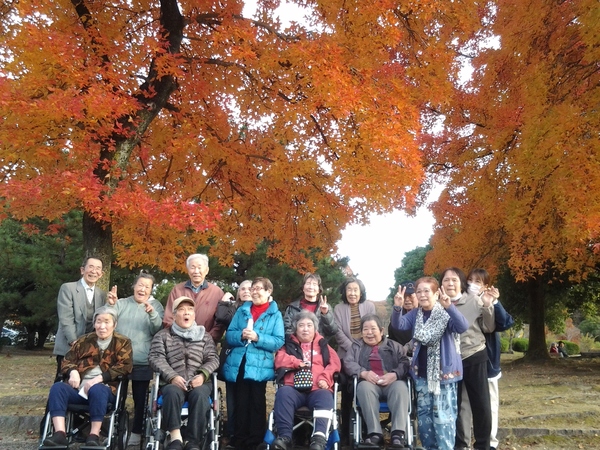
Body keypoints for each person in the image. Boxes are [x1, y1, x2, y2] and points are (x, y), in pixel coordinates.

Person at [390, 277, 468, 450]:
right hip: (421, 374)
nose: (422, 295)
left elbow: (462, 326)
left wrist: (450, 307)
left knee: (443, 418)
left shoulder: (445, 312)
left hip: (444, 375)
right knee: (425, 418)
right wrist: (397, 307)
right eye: (419, 291)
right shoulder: (415, 314)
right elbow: (399, 325)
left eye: (427, 291)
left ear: (436, 293)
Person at [43, 306, 133, 447]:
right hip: (78, 389)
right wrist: (73, 371)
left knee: (97, 389)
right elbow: (67, 361)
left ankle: (93, 435)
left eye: (107, 322)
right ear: (94, 323)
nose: (102, 326)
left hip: (106, 389)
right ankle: (59, 433)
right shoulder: (84, 341)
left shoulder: (122, 342)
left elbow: (125, 366)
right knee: (58, 388)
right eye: (99, 321)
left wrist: (99, 379)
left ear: (114, 324)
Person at [149, 296, 219, 450]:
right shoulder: (163, 335)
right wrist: (172, 376)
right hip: (172, 382)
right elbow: (155, 358)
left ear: (194, 315)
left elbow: (213, 359)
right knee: (172, 392)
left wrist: (202, 375)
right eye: (181, 310)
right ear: (174, 315)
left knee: (200, 395)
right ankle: (175, 437)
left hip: (199, 382)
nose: (186, 313)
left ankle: (192, 441)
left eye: (190, 310)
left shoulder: (205, 336)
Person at [222, 277, 285, 450]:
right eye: (253, 289)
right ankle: (239, 439)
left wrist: (258, 337)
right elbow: (229, 335)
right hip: (241, 361)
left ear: (268, 291)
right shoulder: (242, 310)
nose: (254, 292)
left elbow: (278, 341)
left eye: (259, 289)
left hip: (260, 364)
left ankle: (256, 440)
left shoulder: (275, 314)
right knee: (241, 401)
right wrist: (240, 335)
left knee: (257, 402)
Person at [457, 268, 514, 450]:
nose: (473, 284)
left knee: (488, 404)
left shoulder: (489, 301)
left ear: (486, 285)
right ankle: (463, 443)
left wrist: (494, 302)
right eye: (470, 280)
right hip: (464, 360)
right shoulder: (462, 301)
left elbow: (505, 323)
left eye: (478, 281)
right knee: (464, 405)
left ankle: (490, 443)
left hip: (487, 362)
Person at [107, 271, 165, 447]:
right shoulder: (122, 303)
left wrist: (152, 313)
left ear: (151, 290)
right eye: (140, 285)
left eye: (147, 287)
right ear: (134, 286)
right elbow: (107, 320)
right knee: (117, 397)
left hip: (141, 361)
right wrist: (110, 305)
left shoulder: (156, 306)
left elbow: (158, 330)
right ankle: (115, 431)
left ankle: (136, 431)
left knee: (140, 400)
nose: (143, 289)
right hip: (118, 360)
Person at [440, 267, 495, 450]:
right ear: (441, 284)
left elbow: (488, 327)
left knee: (481, 403)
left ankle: (483, 445)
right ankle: (460, 444)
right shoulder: (437, 304)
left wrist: (487, 305)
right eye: (446, 280)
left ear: (461, 283)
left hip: (473, 354)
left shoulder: (473, 300)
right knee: (455, 405)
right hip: (449, 360)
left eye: (454, 280)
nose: (450, 283)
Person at [271, 311, 341, 450]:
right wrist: (296, 362)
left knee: (325, 395)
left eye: (309, 325)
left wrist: (325, 377)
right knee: (283, 393)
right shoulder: (288, 345)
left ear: (315, 328)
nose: (305, 329)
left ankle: (319, 438)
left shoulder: (323, 346)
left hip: (317, 388)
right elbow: (279, 359)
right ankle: (285, 437)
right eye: (301, 325)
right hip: (293, 388)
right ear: (295, 329)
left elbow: (335, 364)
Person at [344, 314, 411, 449]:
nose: (369, 333)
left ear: (381, 331)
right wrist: (363, 372)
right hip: (369, 383)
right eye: (365, 329)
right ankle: (375, 433)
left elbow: (405, 362)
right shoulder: (356, 347)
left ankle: (397, 434)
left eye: (373, 329)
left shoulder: (394, 345)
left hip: (391, 382)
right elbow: (348, 363)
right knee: (363, 388)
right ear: (361, 332)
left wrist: (395, 374)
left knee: (401, 387)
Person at [333, 277, 376, 442]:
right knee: (347, 393)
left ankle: (366, 430)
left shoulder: (369, 306)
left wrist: (361, 349)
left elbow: (372, 329)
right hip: (346, 356)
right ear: (344, 292)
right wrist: (354, 348)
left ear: (361, 291)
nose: (352, 293)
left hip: (367, 356)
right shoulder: (338, 308)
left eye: (355, 290)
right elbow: (337, 332)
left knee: (365, 390)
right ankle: (345, 433)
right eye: (349, 290)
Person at [53, 256, 108, 377]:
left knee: (84, 381)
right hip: (69, 345)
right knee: (64, 380)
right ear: (82, 270)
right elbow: (66, 317)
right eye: (91, 267)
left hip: (90, 349)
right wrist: (74, 341)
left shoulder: (102, 294)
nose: (94, 271)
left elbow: (103, 319)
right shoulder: (68, 288)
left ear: (101, 274)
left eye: (98, 268)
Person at [215, 280, 253, 446]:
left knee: (250, 398)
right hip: (231, 357)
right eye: (242, 289)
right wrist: (224, 301)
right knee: (232, 398)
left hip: (251, 359)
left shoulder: (259, 310)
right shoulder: (233, 309)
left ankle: (249, 433)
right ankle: (232, 433)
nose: (245, 291)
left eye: (249, 288)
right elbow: (221, 317)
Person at [162, 254, 225, 342]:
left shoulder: (217, 292)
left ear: (206, 270)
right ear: (188, 271)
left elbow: (219, 324)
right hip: (178, 342)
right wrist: (178, 338)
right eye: (192, 267)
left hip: (206, 343)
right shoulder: (177, 290)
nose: (196, 271)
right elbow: (168, 318)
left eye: (199, 267)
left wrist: (207, 339)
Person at [284, 273, 338, 339]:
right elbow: (287, 331)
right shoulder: (292, 308)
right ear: (303, 288)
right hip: (297, 344)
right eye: (308, 283)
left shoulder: (326, 307)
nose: (311, 287)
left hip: (319, 344)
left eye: (314, 284)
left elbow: (332, 331)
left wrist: (325, 314)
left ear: (319, 290)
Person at [388, 282, 417, 347]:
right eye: (404, 296)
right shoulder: (396, 317)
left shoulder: (425, 314)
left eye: (410, 296)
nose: (407, 299)